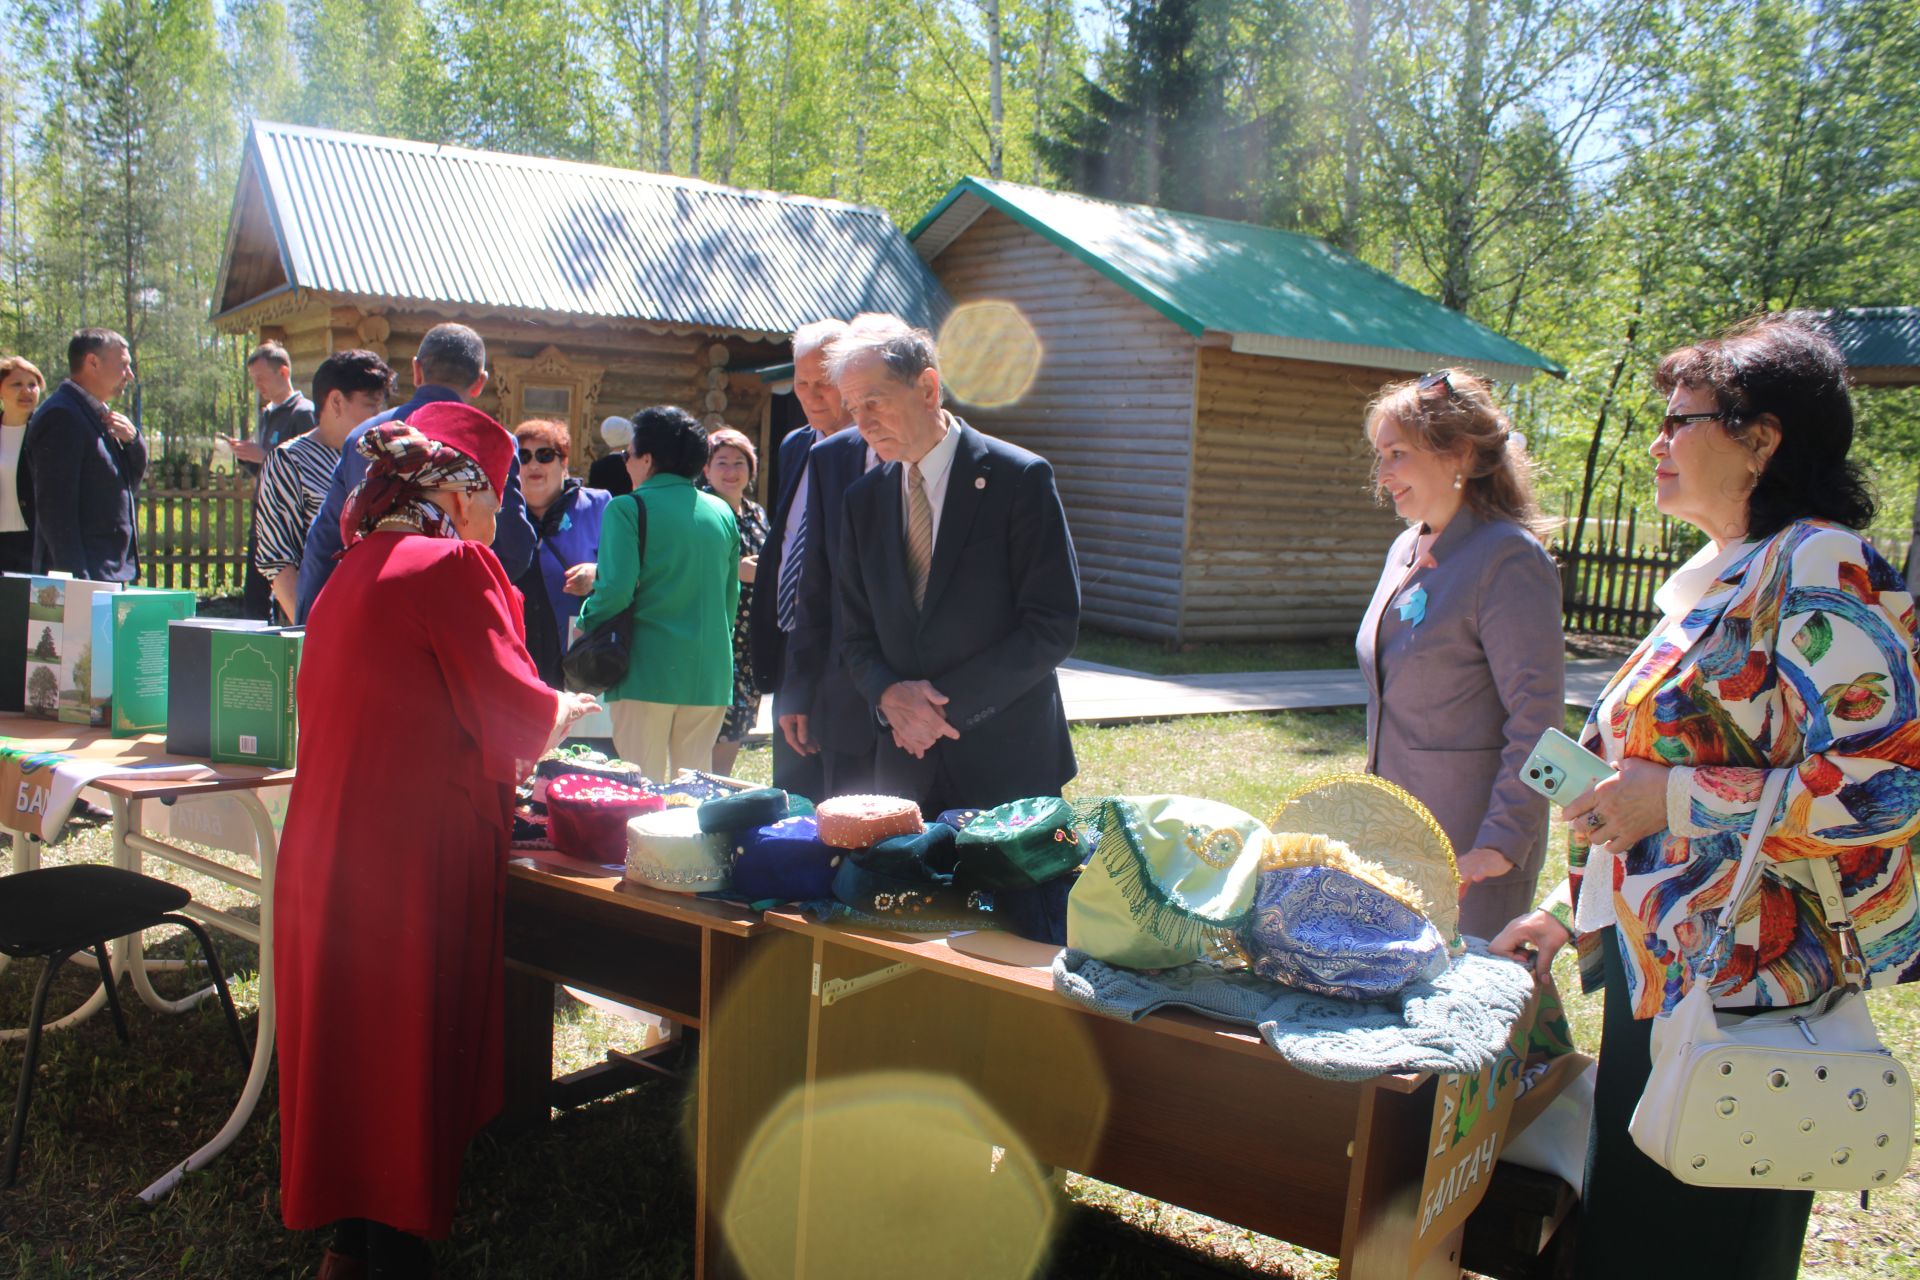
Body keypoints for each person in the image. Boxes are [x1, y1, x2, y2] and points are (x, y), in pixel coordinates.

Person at [1490, 315, 1920, 1280]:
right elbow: (1638, 788)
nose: (1656, 440)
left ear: (1763, 438)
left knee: (1694, 1251)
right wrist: (1568, 914)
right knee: (1634, 1235)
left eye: (1681, 418)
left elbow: (1886, 784)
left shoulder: (1820, 563)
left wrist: (1674, 800)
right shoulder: (1718, 579)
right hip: (1662, 976)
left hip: (1745, 998)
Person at [275, 401, 599, 1279]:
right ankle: (396, 1248)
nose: (501, 515)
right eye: (494, 495)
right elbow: (512, 712)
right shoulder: (453, 565)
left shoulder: (349, 569)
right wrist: (564, 710)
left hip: (330, 843)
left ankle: (349, 1241)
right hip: (410, 850)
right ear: (457, 497)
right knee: (403, 1043)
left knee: (348, 1037)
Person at [832, 313, 1080, 814]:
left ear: (927, 388)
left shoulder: (1019, 478)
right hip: (904, 766)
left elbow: (1051, 625)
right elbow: (854, 633)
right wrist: (888, 698)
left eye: (874, 401)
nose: (862, 423)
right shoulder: (863, 501)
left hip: (1007, 765)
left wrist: (941, 711)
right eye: (853, 407)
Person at [1355, 369, 1565, 940]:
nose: (1383, 475)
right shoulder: (1406, 547)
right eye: (1380, 456)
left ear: (1462, 457)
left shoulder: (1508, 560)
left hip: (1472, 855)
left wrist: (1501, 842)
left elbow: (1541, 720)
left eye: (1397, 454)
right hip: (1394, 840)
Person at [294, 323, 534, 621]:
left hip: (370, 610)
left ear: (417, 370)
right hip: (454, 616)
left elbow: (325, 541)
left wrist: (306, 625)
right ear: (480, 382)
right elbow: (514, 548)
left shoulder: (363, 437)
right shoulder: (492, 445)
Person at [574, 406, 739, 781]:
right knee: (693, 792)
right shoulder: (722, 512)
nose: (625, 462)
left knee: (639, 788)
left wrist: (586, 623)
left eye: (626, 454)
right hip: (710, 671)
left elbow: (614, 590)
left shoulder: (627, 508)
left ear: (646, 458)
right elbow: (728, 602)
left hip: (645, 669)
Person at [754, 319, 880, 800]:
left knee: (844, 794)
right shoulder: (795, 444)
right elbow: (788, 540)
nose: (810, 395)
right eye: (801, 384)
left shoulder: (874, 452)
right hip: (792, 639)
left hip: (843, 646)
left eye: (822, 383)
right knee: (792, 788)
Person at [254, 350, 393, 623]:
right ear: (337, 401)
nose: (380, 417)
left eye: (382, 407)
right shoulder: (289, 461)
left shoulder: (382, 460)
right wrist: (315, 631)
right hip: (313, 628)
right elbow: (280, 564)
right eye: (370, 405)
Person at [21, 328, 145, 582]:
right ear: (93, 362)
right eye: (123, 365)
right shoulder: (62, 416)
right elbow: (56, 511)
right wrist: (78, 582)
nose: (130, 375)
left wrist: (133, 441)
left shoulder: (96, 414)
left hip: (105, 571)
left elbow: (127, 483)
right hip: (84, 575)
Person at [511, 417, 611, 688]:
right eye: (523, 456)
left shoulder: (598, 506)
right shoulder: (500, 511)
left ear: (563, 463)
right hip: (513, 650)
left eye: (545, 455)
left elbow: (631, 570)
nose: (533, 464)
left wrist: (596, 574)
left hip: (578, 654)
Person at [232, 342, 317, 619]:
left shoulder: (303, 413)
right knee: (255, 596)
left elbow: (306, 466)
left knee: (285, 598)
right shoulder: (267, 413)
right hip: (263, 515)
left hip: (289, 522)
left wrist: (263, 456)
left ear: (283, 372)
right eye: (254, 380)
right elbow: (268, 469)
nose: (258, 386)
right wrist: (248, 457)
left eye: (261, 378)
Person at [702, 426, 769, 775]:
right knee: (708, 717)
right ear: (706, 469)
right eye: (721, 462)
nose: (731, 471)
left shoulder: (756, 514)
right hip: (711, 630)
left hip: (749, 636)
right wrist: (735, 574)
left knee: (740, 715)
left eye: (739, 462)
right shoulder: (700, 510)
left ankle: (719, 785)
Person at [0, 355, 47, 572]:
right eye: (17, 384)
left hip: (35, 543)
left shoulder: (47, 432)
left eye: (33, 384)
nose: (27, 391)